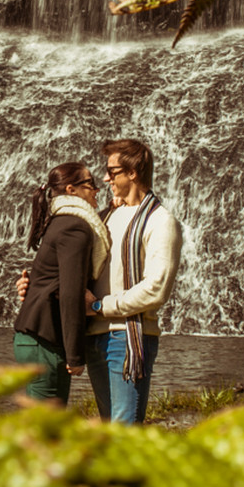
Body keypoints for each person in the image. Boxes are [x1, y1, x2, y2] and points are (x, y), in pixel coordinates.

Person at [83, 138, 182, 424]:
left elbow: (156, 289)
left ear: (133, 172)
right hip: (94, 335)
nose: (105, 178)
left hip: (126, 338)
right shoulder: (106, 216)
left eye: (112, 172)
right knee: (108, 427)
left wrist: (101, 306)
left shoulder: (160, 221)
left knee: (124, 430)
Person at [13, 162, 112, 404]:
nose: (97, 189)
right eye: (90, 183)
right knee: (45, 431)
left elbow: (49, 278)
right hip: (45, 340)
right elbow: (70, 294)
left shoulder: (61, 221)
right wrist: (75, 355)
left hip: (35, 339)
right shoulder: (75, 226)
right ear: (71, 190)